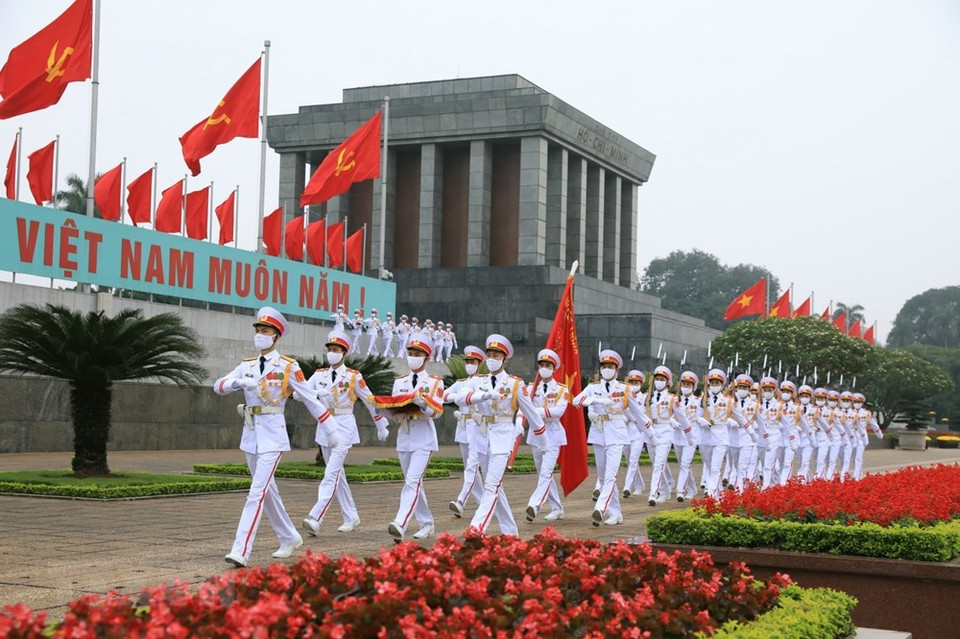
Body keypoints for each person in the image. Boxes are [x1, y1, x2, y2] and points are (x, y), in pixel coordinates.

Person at [213, 306, 329, 568]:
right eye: (258, 330)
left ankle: (241, 549)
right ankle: (289, 536)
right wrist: (237, 383)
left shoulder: (288, 366)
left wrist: (329, 426)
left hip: (274, 435)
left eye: (265, 331)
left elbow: (310, 398)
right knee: (268, 491)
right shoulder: (247, 366)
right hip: (251, 433)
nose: (259, 335)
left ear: (276, 337)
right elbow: (217, 386)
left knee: (256, 492)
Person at [301, 329, 388, 537]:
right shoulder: (319, 374)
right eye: (330, 349)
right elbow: (298, 393)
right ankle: (351, 516)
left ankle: (316, 516)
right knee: (337, 474)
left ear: (344, 353)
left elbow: (369, 400)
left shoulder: (353, 376)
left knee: (331, 473)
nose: (332, 352)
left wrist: (380, 423)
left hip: (344, 426)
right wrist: (314, 393)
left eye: (336, 349)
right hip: (324, 426)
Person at [456, 334, 541, 535]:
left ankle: (476, 529)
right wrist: (480, 396)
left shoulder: (515, 384)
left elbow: (531, 412)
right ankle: (510, 532)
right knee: (494, 486)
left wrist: (542, 437)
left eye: (496, 355)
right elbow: (459, 396)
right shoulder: (478, 381)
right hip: (482, 436)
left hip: (503, 438)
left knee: (491, 485)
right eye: (489, 355)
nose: (492, 359)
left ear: (505, 358)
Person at [383, 333, 445, 542]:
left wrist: (423, 403)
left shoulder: (435, 382)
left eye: (418, 354)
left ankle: (401, 522)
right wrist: (385, 411)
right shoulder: (400, 381)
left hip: (424, 437)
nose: (413, 357)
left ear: (427, 358)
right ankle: (427, 523)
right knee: (413, 483)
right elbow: (394, 408)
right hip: (404, 434)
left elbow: (436, 413)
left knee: (412, 481)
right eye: (410, 353)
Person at [524, 348, 571, 522]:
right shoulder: (530, 388)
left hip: (553, 434)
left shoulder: (561, 389)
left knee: (546, 472)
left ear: (553, 368)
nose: (544, 368)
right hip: (536, 434)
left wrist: (534, 411)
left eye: (547, 365)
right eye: (541, 365)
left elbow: (558, 412)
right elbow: (522, 407)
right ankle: (557, 508)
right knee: (543, 474)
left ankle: (534, 504)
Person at [444, 345, 487, 518]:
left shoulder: (483, 381)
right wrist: (458, 397)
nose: (469, 364)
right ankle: (485, 503)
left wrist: (463, 398)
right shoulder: (460, 383)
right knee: (471, 469)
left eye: (472, 361)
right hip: (463, 427)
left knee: (471, 467)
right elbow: (444, 395)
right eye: (467, 361)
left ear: (479, 363)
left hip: (478, 427)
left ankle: (461, 500)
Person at [622, 370, 652, 499]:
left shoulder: (645, 397)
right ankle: (639, 485)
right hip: (627, 430)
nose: (634, 384)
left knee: (634, 459)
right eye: (632, 382)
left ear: (641, 384)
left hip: (639, 431)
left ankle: (627, 487)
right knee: (630, 460)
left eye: (637, 382)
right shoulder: (625, 395)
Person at [674, 371, 702, 501]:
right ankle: (692, 488)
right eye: (684, 384)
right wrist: (673, 422)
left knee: (685, 464)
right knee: (682, 464)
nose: (686, 386)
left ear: (693, 387)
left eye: (688, 384)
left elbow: (700, 417)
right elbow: (669, 415)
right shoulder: (675, 400)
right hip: (678, 435)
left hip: (691, 435)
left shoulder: (698, 401)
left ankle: (680, 491)